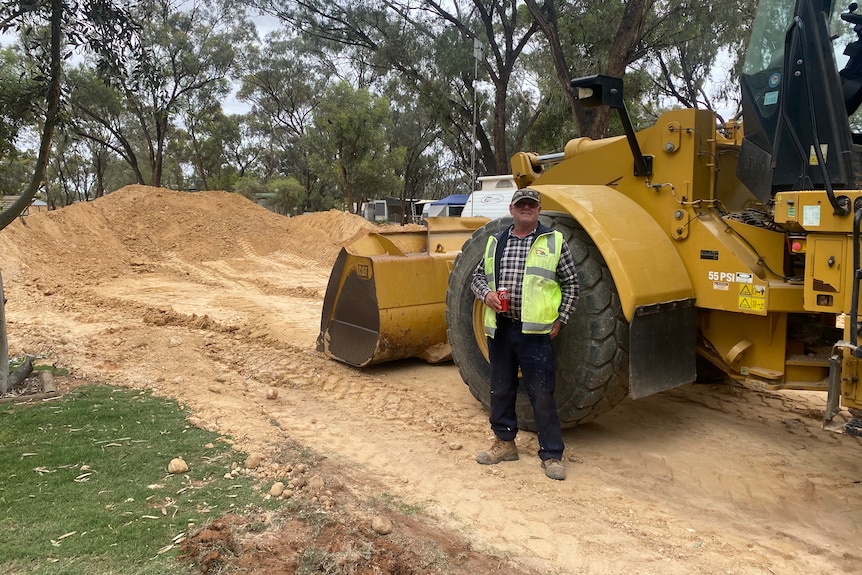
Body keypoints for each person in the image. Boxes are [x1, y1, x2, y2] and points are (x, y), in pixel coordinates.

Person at [470, 188, 578, 481]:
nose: (526, 208)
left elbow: (571, 284)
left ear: (539, 210)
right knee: (501, 388)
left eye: (531, 204)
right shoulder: (496, 242)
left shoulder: (553, 242)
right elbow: (477, 277)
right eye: (521, 204)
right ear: (512, 208)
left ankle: (552, 454)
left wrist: (561, 319)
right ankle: (505, 444)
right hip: (501, 328)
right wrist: (487, 295)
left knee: (542, 392)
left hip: (535, 332)